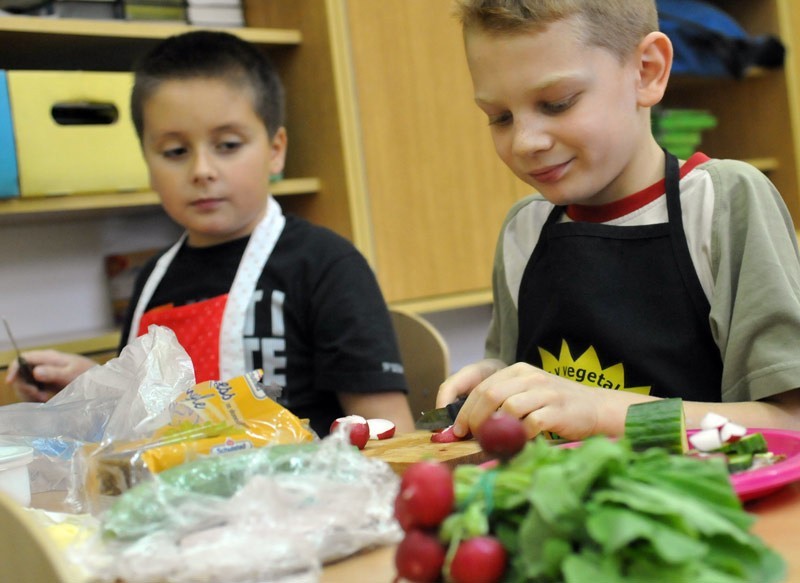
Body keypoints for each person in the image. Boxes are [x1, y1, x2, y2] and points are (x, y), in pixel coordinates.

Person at [6, 30, 415, 437]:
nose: (202, 169)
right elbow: (150, 418)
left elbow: (388, 435)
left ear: (275, 149)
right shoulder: (152, 279)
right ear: (147, 161)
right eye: (175, 152)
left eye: (228, 144)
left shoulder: (327, 267)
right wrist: (94, 386)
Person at [437, 0, 800, 441]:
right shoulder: (523, 229)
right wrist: (494, 380)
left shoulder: (722, 202)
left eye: (557, 103)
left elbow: (790, 423)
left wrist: (600, 412)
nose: (525, 142)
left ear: (647, 71)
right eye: (499, 117)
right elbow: (527, 372)